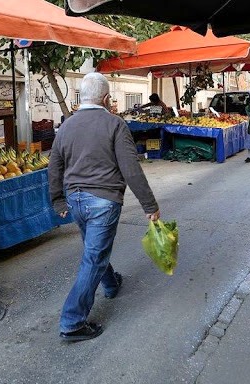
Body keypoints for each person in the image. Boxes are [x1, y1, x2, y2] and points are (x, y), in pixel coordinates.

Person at [49, 72, 160, 342]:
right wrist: (150, 204)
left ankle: (110, 283)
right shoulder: (115, 124)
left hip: (75, 200)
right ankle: (73, 322)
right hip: (103, 201)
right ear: (107, 98)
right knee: (94, 257)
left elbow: (54, 164)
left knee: (94, 251)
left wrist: (57, 200)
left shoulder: (66, 126)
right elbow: (130, 168)